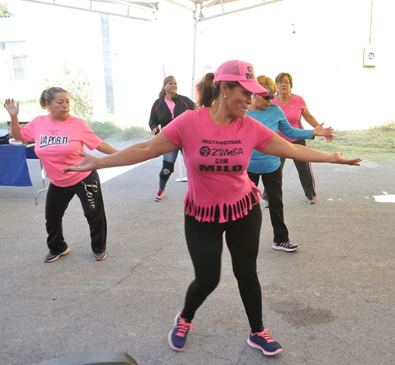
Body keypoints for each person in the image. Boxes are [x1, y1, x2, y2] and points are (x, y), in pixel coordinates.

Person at [63, 60, 361, 356]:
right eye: (244, 92)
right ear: (224, 88)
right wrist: (99, 162)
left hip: (244, 211)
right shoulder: (189, 122)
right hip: (201, 215)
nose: (250, 99)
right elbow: (145, 148)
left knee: (247, 272)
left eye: (253, 93)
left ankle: (257, 331)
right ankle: (185, 318)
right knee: (208, 278)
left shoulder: (250, 127)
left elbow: (291, 148)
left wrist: (331, 158)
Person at [3, 88, 117, 263]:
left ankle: (99, 247)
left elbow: (98, 144)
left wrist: (121, 155)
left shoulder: (78, 124)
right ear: (48, 104)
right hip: (57, 180)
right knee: (52, 217)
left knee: (94, 214)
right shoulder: (39, 123)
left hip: (83, 176)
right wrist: (14, 116)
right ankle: (58, 247)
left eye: (67, 102)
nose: (65, 106)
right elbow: (19, 136)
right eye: (60, 102)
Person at [247, 75, 333, 252]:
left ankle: (280, 239)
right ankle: (244, 240)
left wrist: (312, 132)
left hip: (272, 165)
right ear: (255, 94)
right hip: (248, 168)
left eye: (272, 96)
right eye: (267, 96)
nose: (271, 100)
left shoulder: (275, 110)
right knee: (247, 206)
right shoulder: (243, 111)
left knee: (276, 204)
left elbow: (289, 131)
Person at [270, 72, 333, 205]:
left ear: (291, 85)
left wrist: (320, 130)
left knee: (303, 168)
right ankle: (269, 196)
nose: (283, 85)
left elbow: (308, 117)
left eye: (286, 82)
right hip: (278, 140)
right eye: (280, 82)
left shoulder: (298, 100)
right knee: (274, 169)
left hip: (297, 137)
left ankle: (311, 194)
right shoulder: (271, 101)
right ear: (276, 85)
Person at [149, 75, 195, 201]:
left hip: (187, 139)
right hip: (169, 139)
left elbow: (197, 112)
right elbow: (153, 120)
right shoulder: (158, 104)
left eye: (175, 83)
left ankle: (196, 191)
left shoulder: (184, 101)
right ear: (164, 86)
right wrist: (154, 127)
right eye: (170, 83)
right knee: (166, 169)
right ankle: (161, 189)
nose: (173, 85)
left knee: (194, 166)